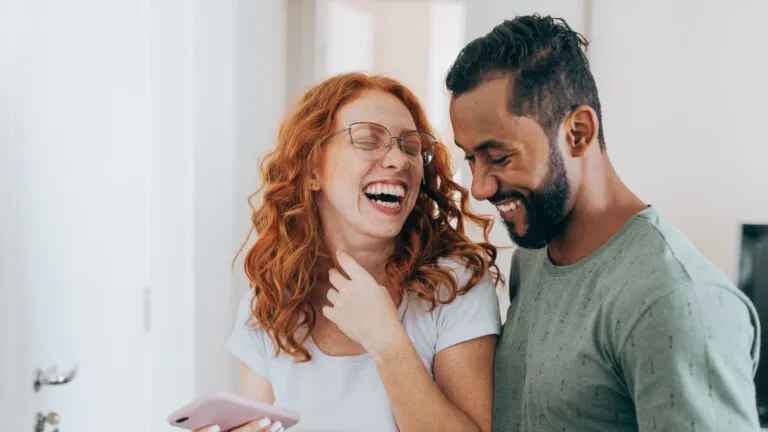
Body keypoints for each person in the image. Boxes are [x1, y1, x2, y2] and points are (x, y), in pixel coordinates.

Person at [445, 14, 761, 432]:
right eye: (471, 158)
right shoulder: (534, 255)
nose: (480, 188)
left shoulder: (676, 299)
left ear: (578, 132)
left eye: (500, 157)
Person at [196, 72, 502, 432]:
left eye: (411, 146)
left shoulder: (456, 284)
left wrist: (386, 342)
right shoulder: (268, 304)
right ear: (312, 169)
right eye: (369, 140)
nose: (399, 161)